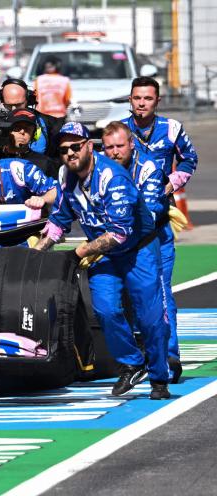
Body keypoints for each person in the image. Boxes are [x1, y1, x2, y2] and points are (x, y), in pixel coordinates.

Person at [33, 122, 170, 400]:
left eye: (75, 146)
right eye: (63, 149)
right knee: (105, 308)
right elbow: (60, 219)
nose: (70, 153)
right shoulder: (65, 176)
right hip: (106, 255)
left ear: (89, 146)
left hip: (137, 250)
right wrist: (37, 253)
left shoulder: (112, 176)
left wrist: (78, 253)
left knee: (151, 318)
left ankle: (159, 378)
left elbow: (120, 233)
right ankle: (132, 363)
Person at [102, 120, 182, 383]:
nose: (114, 152)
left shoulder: (148, 167)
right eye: (108, 147)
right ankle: (138, 359)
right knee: (114, 303)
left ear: (131, 144)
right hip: (117, 243)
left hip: (153, 239)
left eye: (119, 146)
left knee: (159, 298)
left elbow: (148, 213)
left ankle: (168, 358)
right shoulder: (101, 169)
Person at [121, 76, 197, 200]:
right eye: (137, 98)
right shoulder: (117, 130)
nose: (141, 103)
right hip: (127, 204)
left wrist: (172, 184)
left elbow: (189, 159)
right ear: (130, 100)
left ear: (157, 101)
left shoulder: (172, 128)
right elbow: (104, 165)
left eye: (148, 98)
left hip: (162, 203)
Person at [0, 108, 61, 178]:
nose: (22, 132)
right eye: (17, 127)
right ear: (7, 130)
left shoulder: (45, 163)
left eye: (27, 129)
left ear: (34, 134)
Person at [0, 79, 58, 156]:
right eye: (8, 106)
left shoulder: (43, 122)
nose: (14, 110)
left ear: (29, 100)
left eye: (18, 105)